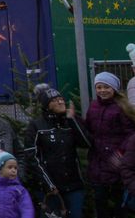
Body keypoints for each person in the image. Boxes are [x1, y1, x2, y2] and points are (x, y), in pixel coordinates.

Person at [22, 85, 90, 218]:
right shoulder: (36, 125)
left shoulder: (69, 122)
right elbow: (32, 157)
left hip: (74, 185)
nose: (60, 102)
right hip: (50, 188)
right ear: (47, 105)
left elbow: (86, 143)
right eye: (54, 100)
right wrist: (49, 184)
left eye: (61, 99)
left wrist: (72, 120)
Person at [86, 71, 135, 218]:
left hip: (117, 162)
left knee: (119, 202)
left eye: (106, 87)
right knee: (100, 202)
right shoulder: (93, 107)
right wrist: (73, 119)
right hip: (98, 162)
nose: (102, 90)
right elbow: (88, 129)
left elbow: (131, 133)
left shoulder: (122, 108)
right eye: (99, 87)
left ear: (114, 89)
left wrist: (121, 153)